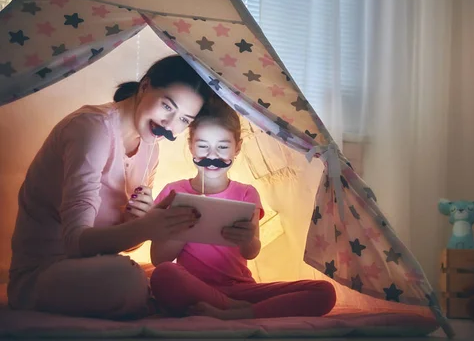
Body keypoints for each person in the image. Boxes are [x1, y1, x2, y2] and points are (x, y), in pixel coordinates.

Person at [8, 55, 212, 319]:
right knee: (128, 280)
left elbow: (119, 246)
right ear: (145, 86)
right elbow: (75, 242)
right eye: (167, 106)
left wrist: (138, 220)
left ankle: (229, 307)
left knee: (166, 276)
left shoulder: (150, 149)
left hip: (93, 267)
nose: (170, 125)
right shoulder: (91, 129)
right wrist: (145, 227)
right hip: (43, 273)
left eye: (184, 120)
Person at [149, 97, 337, 319]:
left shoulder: (246, 193)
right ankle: (232, 310)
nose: (212, 156)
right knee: (164, 274)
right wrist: (183, 228)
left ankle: (237, 310)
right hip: (194, 288)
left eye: (222, 147)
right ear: (190, 146)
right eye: (202, 146)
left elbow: (251, 251)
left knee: (324, 292)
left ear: (236, 148)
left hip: (241, 289)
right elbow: (158, 258)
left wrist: (247, 238)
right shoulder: (173, 192)